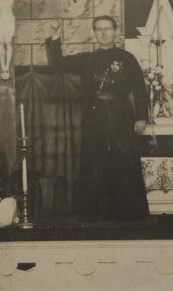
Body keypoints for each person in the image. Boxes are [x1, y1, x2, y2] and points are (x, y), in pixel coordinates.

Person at [45, 16, 151, 223]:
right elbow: (57, 64)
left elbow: (139, 89)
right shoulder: (87, 60)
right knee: (95, 162)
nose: (103, 33)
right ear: (94, 33)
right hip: (94, 117)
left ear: (115, 31)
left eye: (107, 29)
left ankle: (130, 216)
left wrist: (141, 117)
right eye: (99, 29)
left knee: (124, 162)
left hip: (121, 116)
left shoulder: (127, 59)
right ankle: (95, 216)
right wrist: (55, 38)